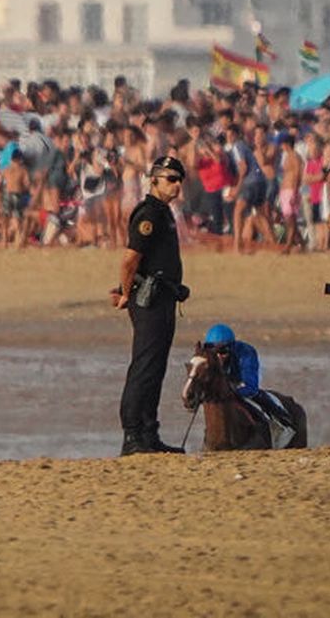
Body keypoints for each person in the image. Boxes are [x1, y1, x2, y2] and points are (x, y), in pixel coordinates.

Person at [112, 155, 188, 455]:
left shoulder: (164, 212)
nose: (177, 185)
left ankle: (149, 432)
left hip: (164, 297)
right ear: (154, 179)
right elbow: (131, 259)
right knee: (144, 366)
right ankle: (133, 435)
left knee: (156, 366)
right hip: (148, 300)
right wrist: (126, 292)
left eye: (180, 179)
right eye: (171, 179)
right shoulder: (149, 214)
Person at [201, 323, 294, 447]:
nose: (219, 357)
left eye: (223, 352)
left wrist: (231, 389)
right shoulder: (206, 357)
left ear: (232, 348)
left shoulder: (246, 353)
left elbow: (250, 387)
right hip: (227, 383)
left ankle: (280, 418)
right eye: (214, 352)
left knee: (252, 395)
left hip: (245, 379)